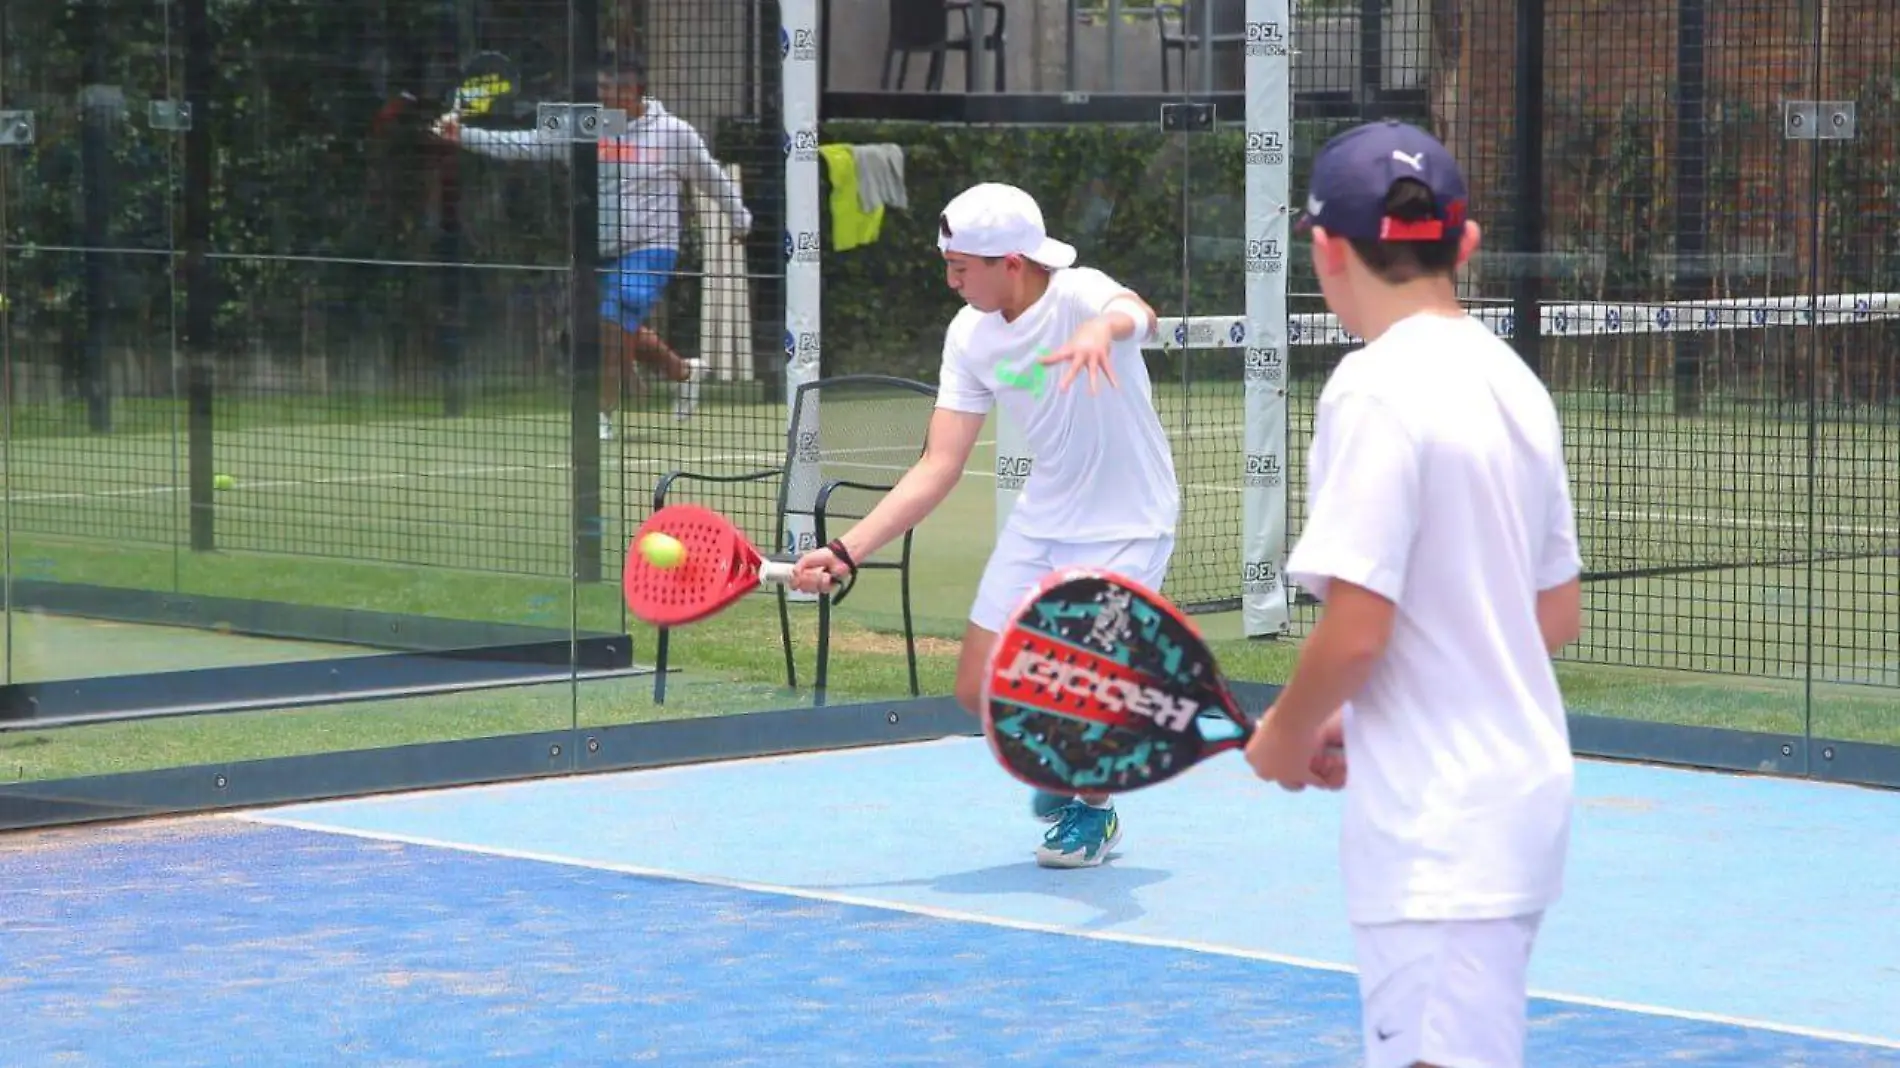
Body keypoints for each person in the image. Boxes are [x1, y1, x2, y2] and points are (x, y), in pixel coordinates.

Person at [1241, 120, 1584, 1068]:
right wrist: (1367, 716)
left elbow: (1356, 631)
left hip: (1435, 831)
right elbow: (1552, 614)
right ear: (1464, 243)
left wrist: (1284, 735)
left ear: (1323, 247)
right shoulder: (1516, 382)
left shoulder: (1370, 390)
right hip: (1518, 807)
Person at [788, 182, 1181, 869]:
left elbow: (1137, 313)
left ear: (1012, 262)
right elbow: (938, 464)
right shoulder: (968, 337)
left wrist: (1102, 329)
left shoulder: (1081, 292)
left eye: (961, 266)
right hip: (1045, 518)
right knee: (977, 689)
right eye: (949, 264)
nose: (951, 281)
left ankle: (1095, 810)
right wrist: (847, 550)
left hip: (1130, 521)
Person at [433, 50, 751, 437]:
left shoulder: (675, 132)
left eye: (606, 87)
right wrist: (463, 134)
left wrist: (740, 219)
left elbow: (712, 177)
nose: (597, 92)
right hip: (599, 248)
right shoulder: (586, 121)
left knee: (614, 313)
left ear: (632, 91)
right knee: (614, 321)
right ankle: (682, 372)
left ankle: (601, 413)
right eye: (596, 85)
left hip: (654, 247)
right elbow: (524, 142)